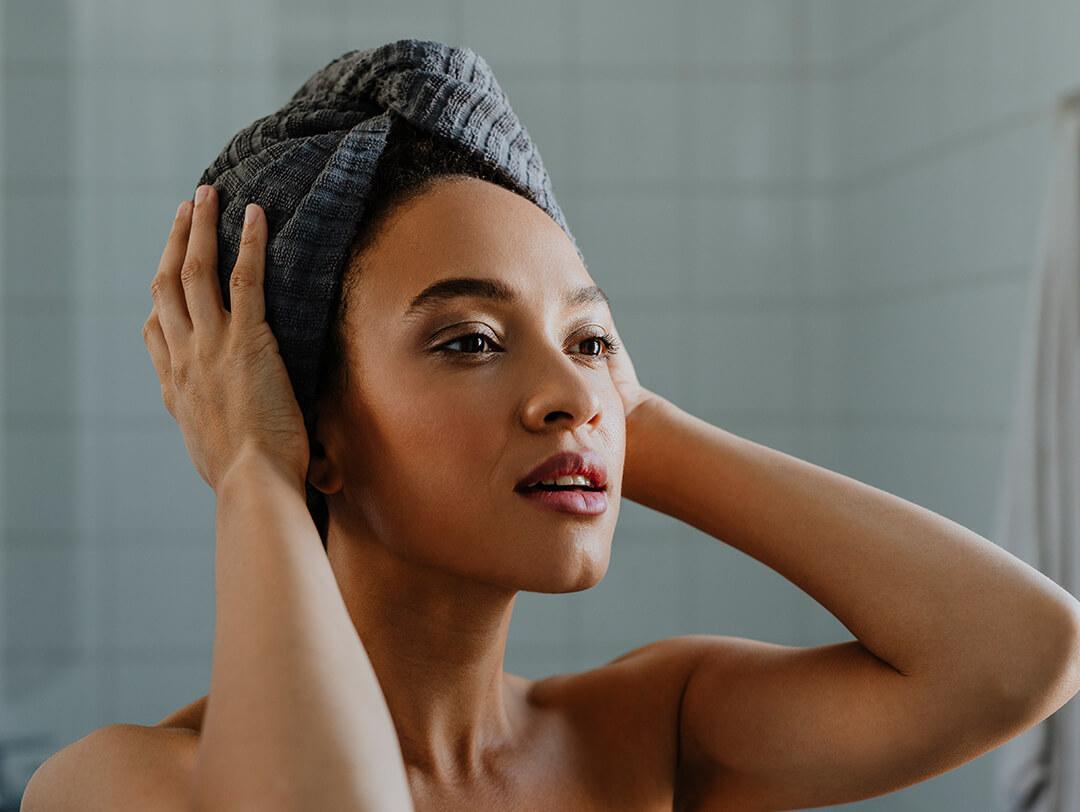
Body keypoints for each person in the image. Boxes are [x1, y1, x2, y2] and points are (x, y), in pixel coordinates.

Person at [21, 40, 1080, 812]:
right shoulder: (120, 785)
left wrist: (636, 422)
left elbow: (1018, 652)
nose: (569, 389)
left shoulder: (646, 732)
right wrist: (254, 467)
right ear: (314, 426)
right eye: (470, 339)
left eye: (589, 338)